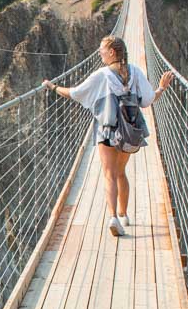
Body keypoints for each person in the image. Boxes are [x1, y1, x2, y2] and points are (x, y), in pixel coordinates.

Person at [42, 35, 175, 237]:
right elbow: (148, 100)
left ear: (112, 52)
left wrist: (53, 87)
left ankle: (113, 217)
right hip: (129, 132)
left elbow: (75, 93)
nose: (99, 53)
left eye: (102, 50)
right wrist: (162, 87)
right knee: (121, 172)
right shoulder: (135, 72)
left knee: (109, 174)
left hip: (107, 130)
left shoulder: (101, 75)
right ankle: (124, 214)